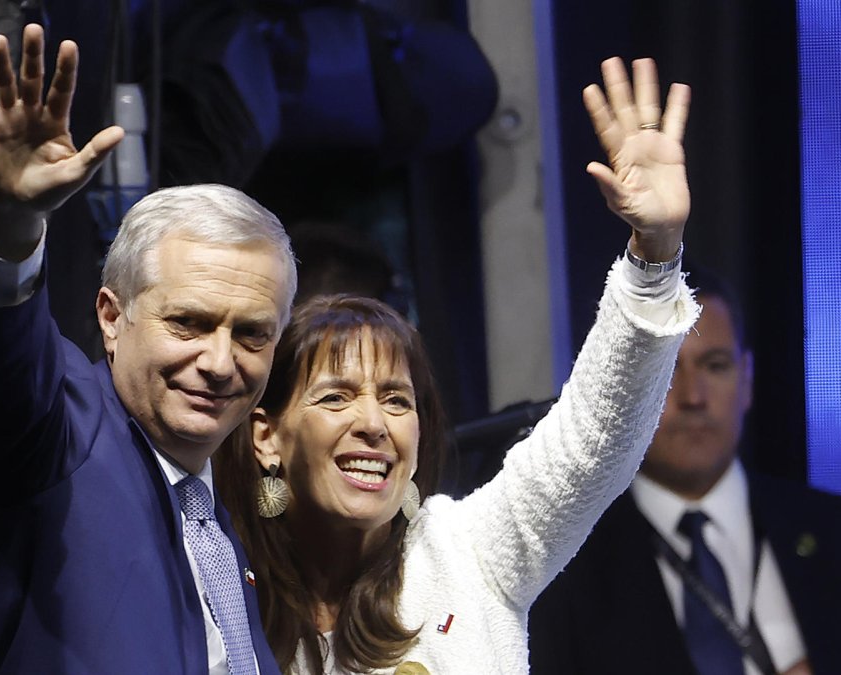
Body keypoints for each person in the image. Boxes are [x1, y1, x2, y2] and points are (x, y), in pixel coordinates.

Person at [213, 57, 700, 674]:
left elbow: (593, 440)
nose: (373, 423)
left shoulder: (469, 554)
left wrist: (654, 258)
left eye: (396, 399)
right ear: (265, 436)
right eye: (336, 397)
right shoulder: (215, 586)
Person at [0, 24, 292, 674]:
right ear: (112, 318)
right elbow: (0, 373)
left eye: (251, 333)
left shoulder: (212, 520)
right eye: (190, 323)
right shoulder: (55, 432)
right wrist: (10, 229)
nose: (222, 361)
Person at [528, 268, 841, 674]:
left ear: (748, 378)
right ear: (617, 390)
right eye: (663, 373)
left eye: (715, 365)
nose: (693, 397)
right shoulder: (562, 574)